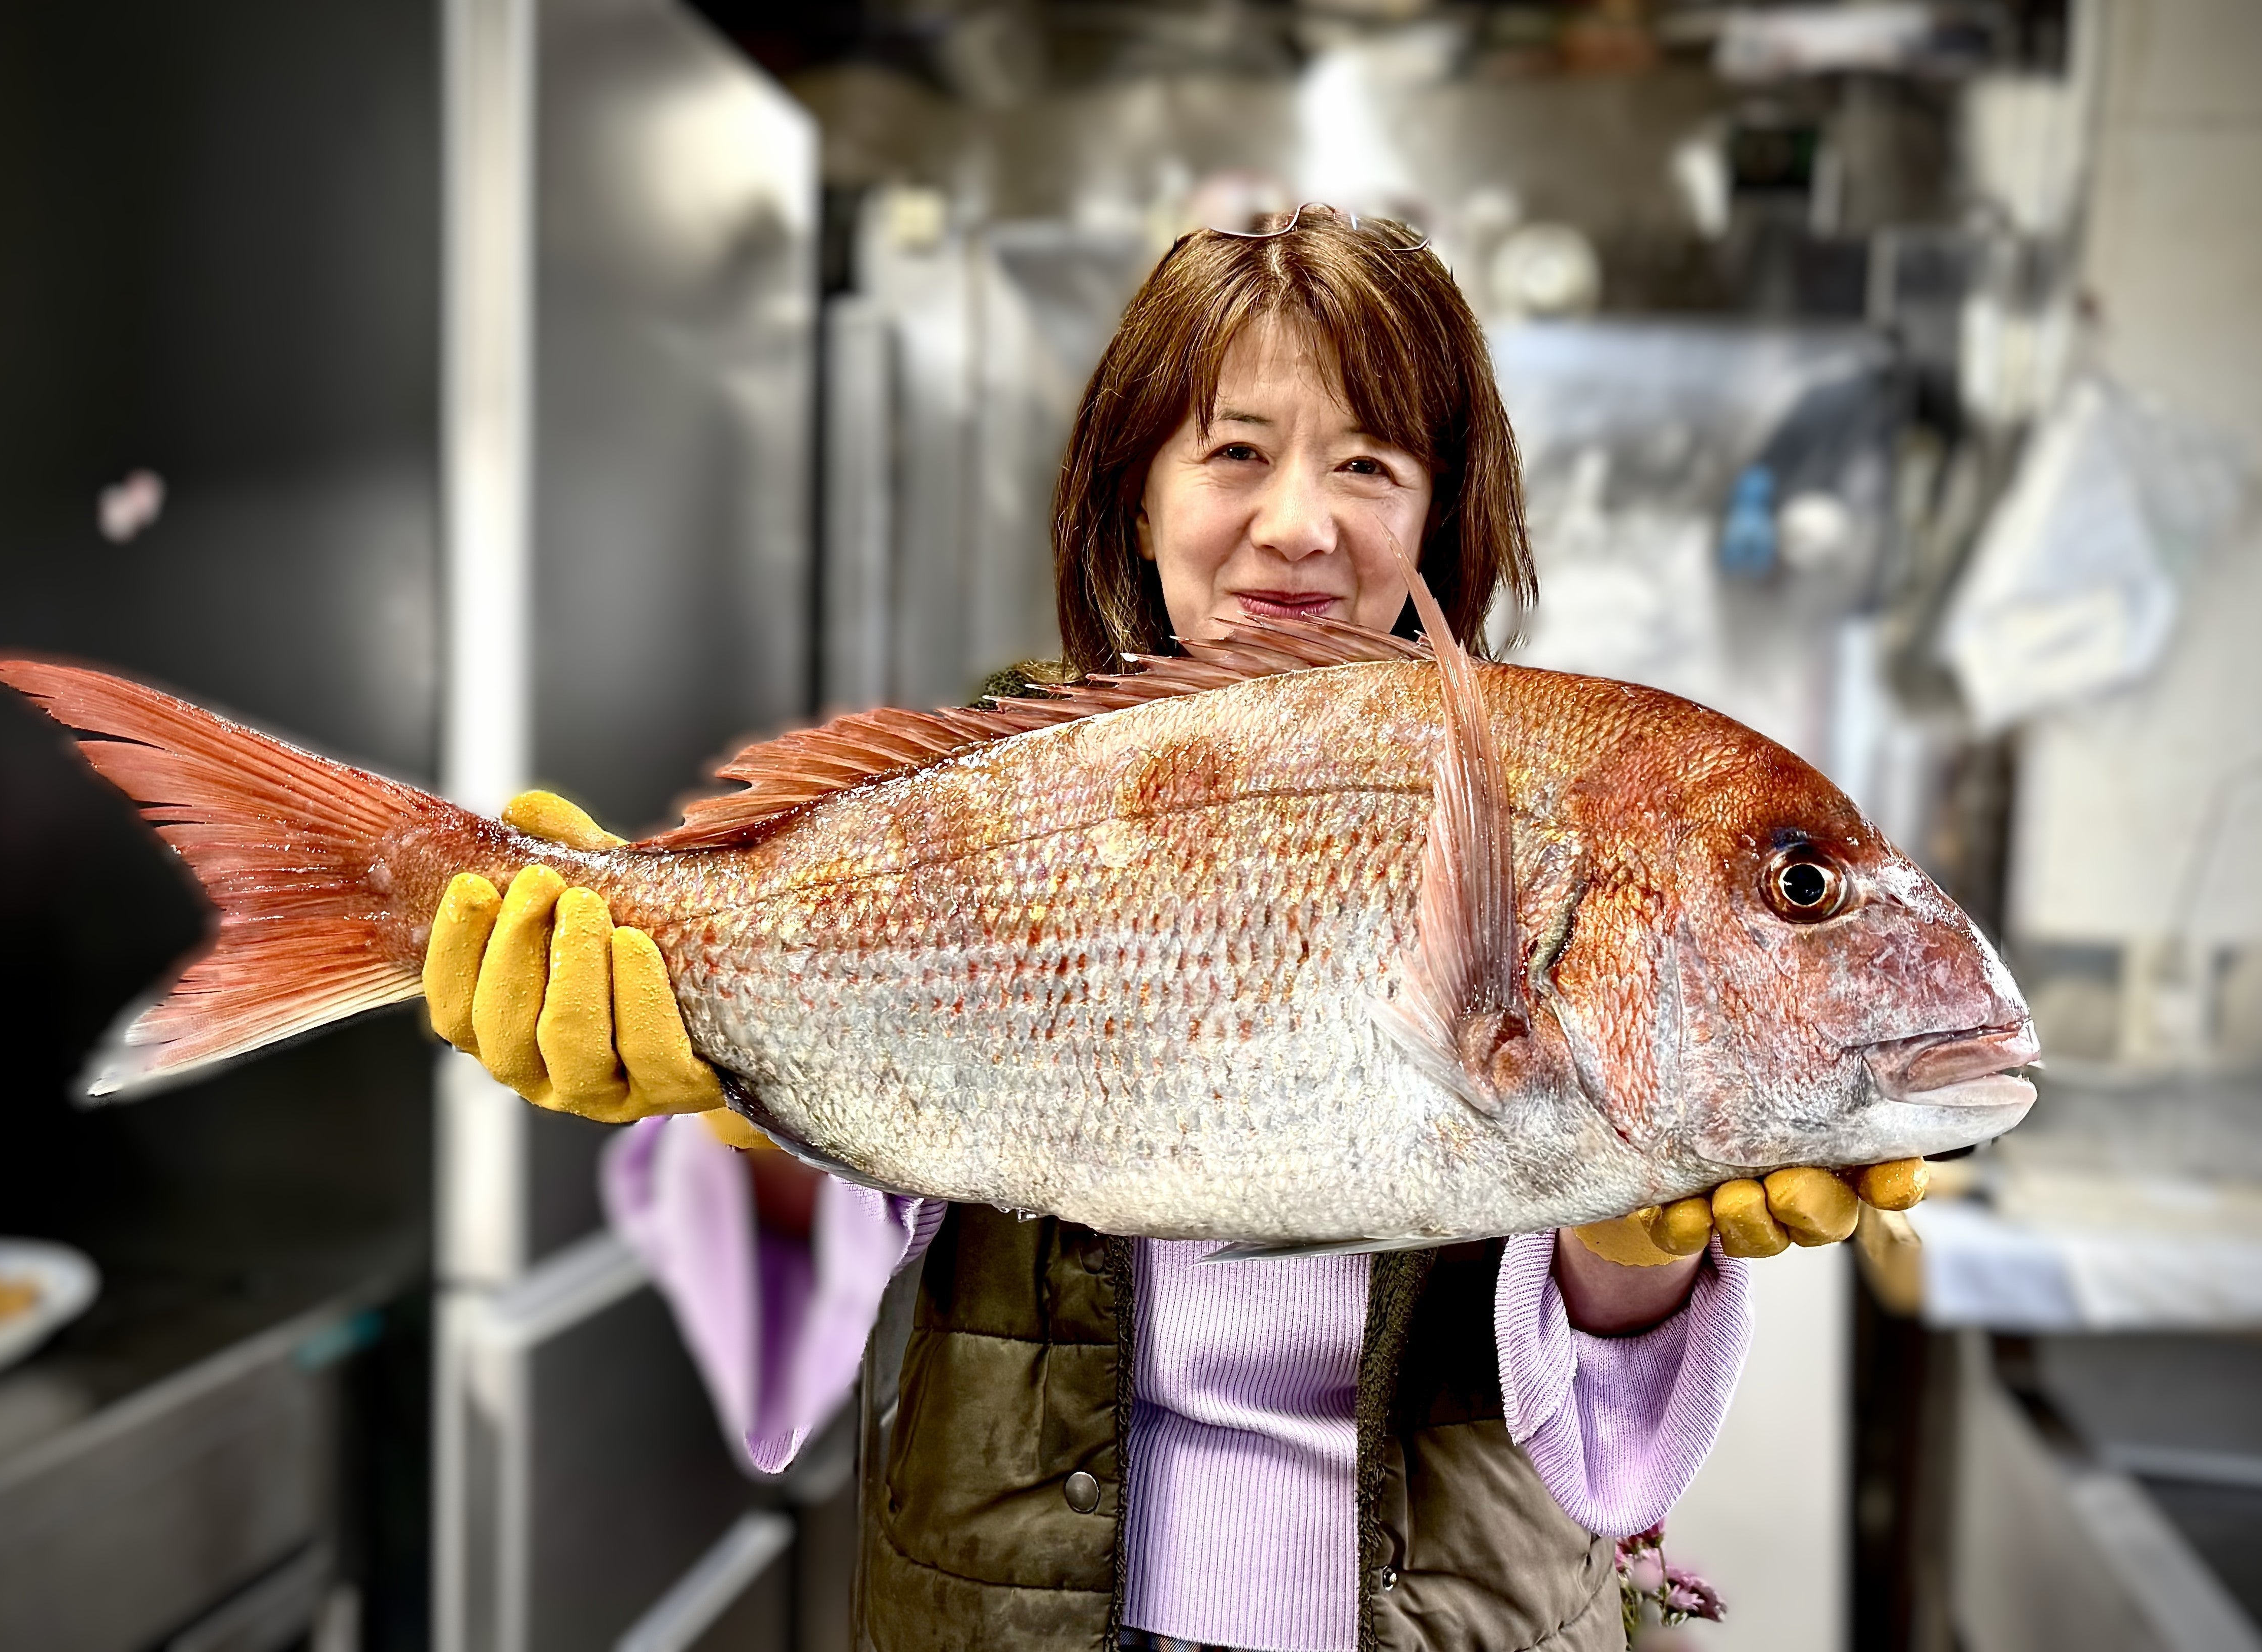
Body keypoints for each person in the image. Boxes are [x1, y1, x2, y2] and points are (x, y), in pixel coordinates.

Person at [426, 207, 1886, 1652]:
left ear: (1436, 517)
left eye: (1367, 464)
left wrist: (1629, 1239)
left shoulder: (1545, 790)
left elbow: (1606, 1469)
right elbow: (824, 1273)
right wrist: (731, 1088)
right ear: (1137, 498)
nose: (1296, 523)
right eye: (1235, 452)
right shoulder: (995, 785)